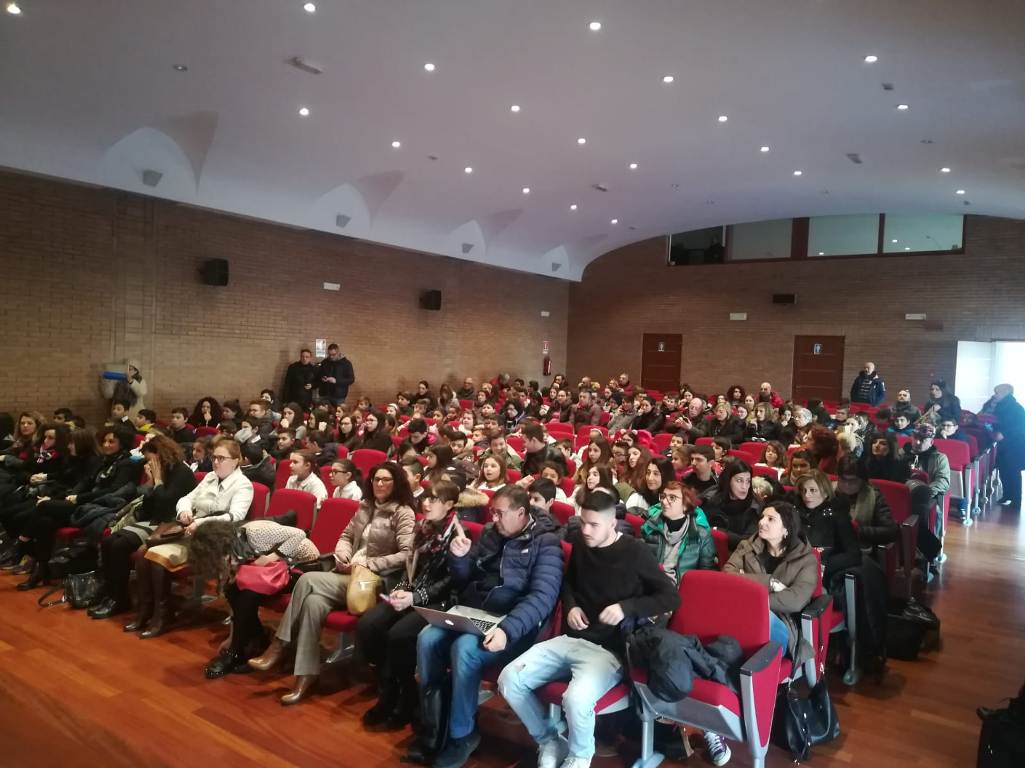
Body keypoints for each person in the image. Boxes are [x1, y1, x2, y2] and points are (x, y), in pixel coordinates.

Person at [498, 490, 680, 768]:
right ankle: (549, 740)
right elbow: (569, 583)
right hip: (571, 638)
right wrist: (571, 606)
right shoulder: (582, 543)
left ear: (612, 524)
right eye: (583, 522)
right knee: (509, 680)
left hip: (609, 649)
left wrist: (626, 608)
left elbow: (670, 597)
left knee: (576, 699)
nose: (585, 530)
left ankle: (579, 756)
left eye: (594, 525)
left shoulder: (635, 552)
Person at [410, 485, 562, 767]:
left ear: (520, 513)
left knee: (465, 648)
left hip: (513, 626)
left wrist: (507, 629)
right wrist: (460, 558)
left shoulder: (546, 543)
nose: (493, 519)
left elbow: (542, 598)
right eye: (492, 512)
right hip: (475, 613)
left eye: (499, 513)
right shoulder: (492, 534)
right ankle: (434, 727)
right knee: (427, 638)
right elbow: (465, 579)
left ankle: (462, 734)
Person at [248, 462, 415, 704]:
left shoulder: (403, 513)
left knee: (307, 580)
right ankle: (305, 676)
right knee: (313, 603)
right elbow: (346, 536)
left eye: (386, 479)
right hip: (347, 573)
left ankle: (279, 644)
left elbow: (406, 554)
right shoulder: (365, 506)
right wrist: (343, 554)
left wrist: (369, 563)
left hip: (371, 581)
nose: (379, 484)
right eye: (376, 479)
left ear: (396, 482)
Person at [357, 479, 460, 729]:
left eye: (433, 499)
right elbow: (410, 568)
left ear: (449, 504)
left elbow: (449, 582)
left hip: (439, 602)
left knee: (399, 635)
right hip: (411, 593)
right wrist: (401, 590)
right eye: (425, 497)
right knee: (369, 625)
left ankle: (407, 696)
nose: (426, 503)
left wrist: (415, 597)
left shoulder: (457, 535)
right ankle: (387, 688)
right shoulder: (422, 527)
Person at [132, 437, 254, 637]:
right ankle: (147, 610)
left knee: (155, 558)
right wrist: (184, 511)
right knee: (142, 554)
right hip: (190, 529)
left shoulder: (243, 485)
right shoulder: (210, 477)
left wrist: (200, 522)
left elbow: (235, 516)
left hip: (213, 539)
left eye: (221, 458)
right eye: (214, 458)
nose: (216, 462)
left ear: (235, 461)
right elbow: (187, 498)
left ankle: (163, 615)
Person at [193, 518, 321, 678]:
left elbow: (299, 534)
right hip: (276, 569)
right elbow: (232, 600)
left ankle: (238, 651)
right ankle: (255, 641)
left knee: (249, 593)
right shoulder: (234, 548)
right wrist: (231, 637)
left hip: (303, 567)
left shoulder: (254, 532)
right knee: (232, 590)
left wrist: (271, 557)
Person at [16, 425, 138, 591]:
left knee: (43, 506)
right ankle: (41, 569)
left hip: (100, 508)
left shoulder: (126, 464)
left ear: (122, 444)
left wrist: (78, 498)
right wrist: (68, 497)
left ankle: (22, 544)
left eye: (111, 442)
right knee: (45, 521)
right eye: (105, 441)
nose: (106, 445)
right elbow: (86, 482)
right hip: (86, 504)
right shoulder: (106, 460)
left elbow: (112, 492)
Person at [89, 435, 197, 620]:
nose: (148, 463)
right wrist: (150, 483)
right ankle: (111, 593)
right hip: (154, 520)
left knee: (119, 545)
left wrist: (158, 481)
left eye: (150, 459)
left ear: (160, 455)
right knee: (109, 541)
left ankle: (120, 599)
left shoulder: (181, 472)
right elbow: (148, 508)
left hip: (172, 524)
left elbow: (166, 506)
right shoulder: (162, 472)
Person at [724, 502, 817, 664]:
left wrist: (747, 589)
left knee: (764, 617)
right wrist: (770, 582)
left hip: (783, 621)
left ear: (786, 529)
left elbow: (795, 600)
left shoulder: (806, 560)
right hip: (742, 613)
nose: (762, 522)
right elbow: (727, 576)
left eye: (771, 519)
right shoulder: (747, 547)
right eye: (762, 517)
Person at [794, 471, 862, 582]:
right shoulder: (794, 512)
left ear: (825, 493)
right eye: (803, 490)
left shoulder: (837, 515)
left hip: (824, 574)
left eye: (813, 490)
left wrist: (823, 564)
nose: (806, 495)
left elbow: (854, 554)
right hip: (794, 570)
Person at [834, 455, 897, 547]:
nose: (847, 485)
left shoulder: (874, 496)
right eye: (843, 479)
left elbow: (891, 531)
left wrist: (858, 531)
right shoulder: (829, 491)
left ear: (862, 480)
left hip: (861, 549)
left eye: (853, 481)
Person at [701, 459, 762, 549]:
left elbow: (748, 542)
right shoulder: (710, 498)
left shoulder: (754, 507)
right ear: (728, 480)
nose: (744, 487)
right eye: (739, 480)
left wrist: (718, 531)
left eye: (748, 481)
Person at [991, 384, 1025, 511]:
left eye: (997, 393)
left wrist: (1004, 434)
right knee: (1003, 470)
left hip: (1015, 444)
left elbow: (1020, 427)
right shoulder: (1001, 406)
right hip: (1004, 445)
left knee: (1013, 472)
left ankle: (1016, 499)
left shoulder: (1016, 408)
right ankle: (1007, 495)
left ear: (1005, 393)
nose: (995, 395)